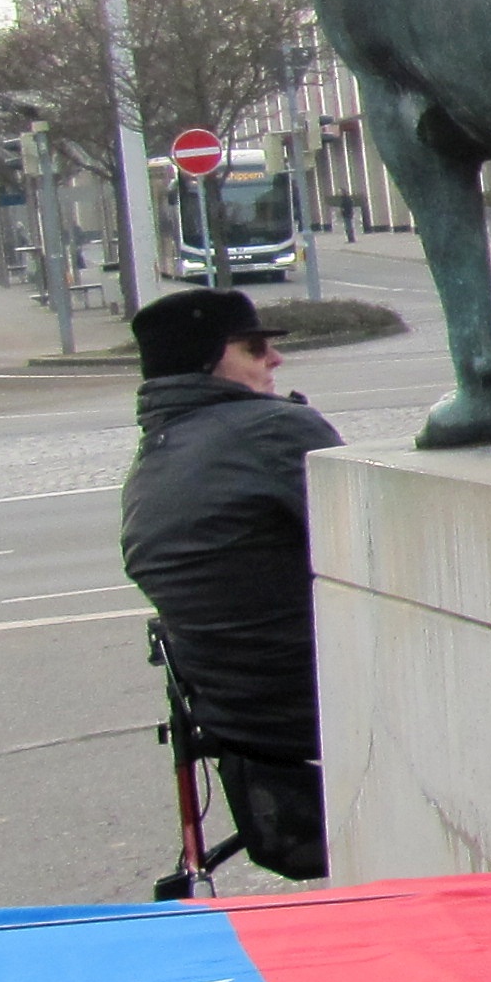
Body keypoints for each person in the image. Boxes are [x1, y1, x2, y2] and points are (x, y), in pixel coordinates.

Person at [118, 286, 344, 879]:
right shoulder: (273, 431)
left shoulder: (153, 460)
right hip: (321, 707)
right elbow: (385, 545)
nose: (275, 359)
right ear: (207, 359)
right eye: (253, 348)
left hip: (236, 726)